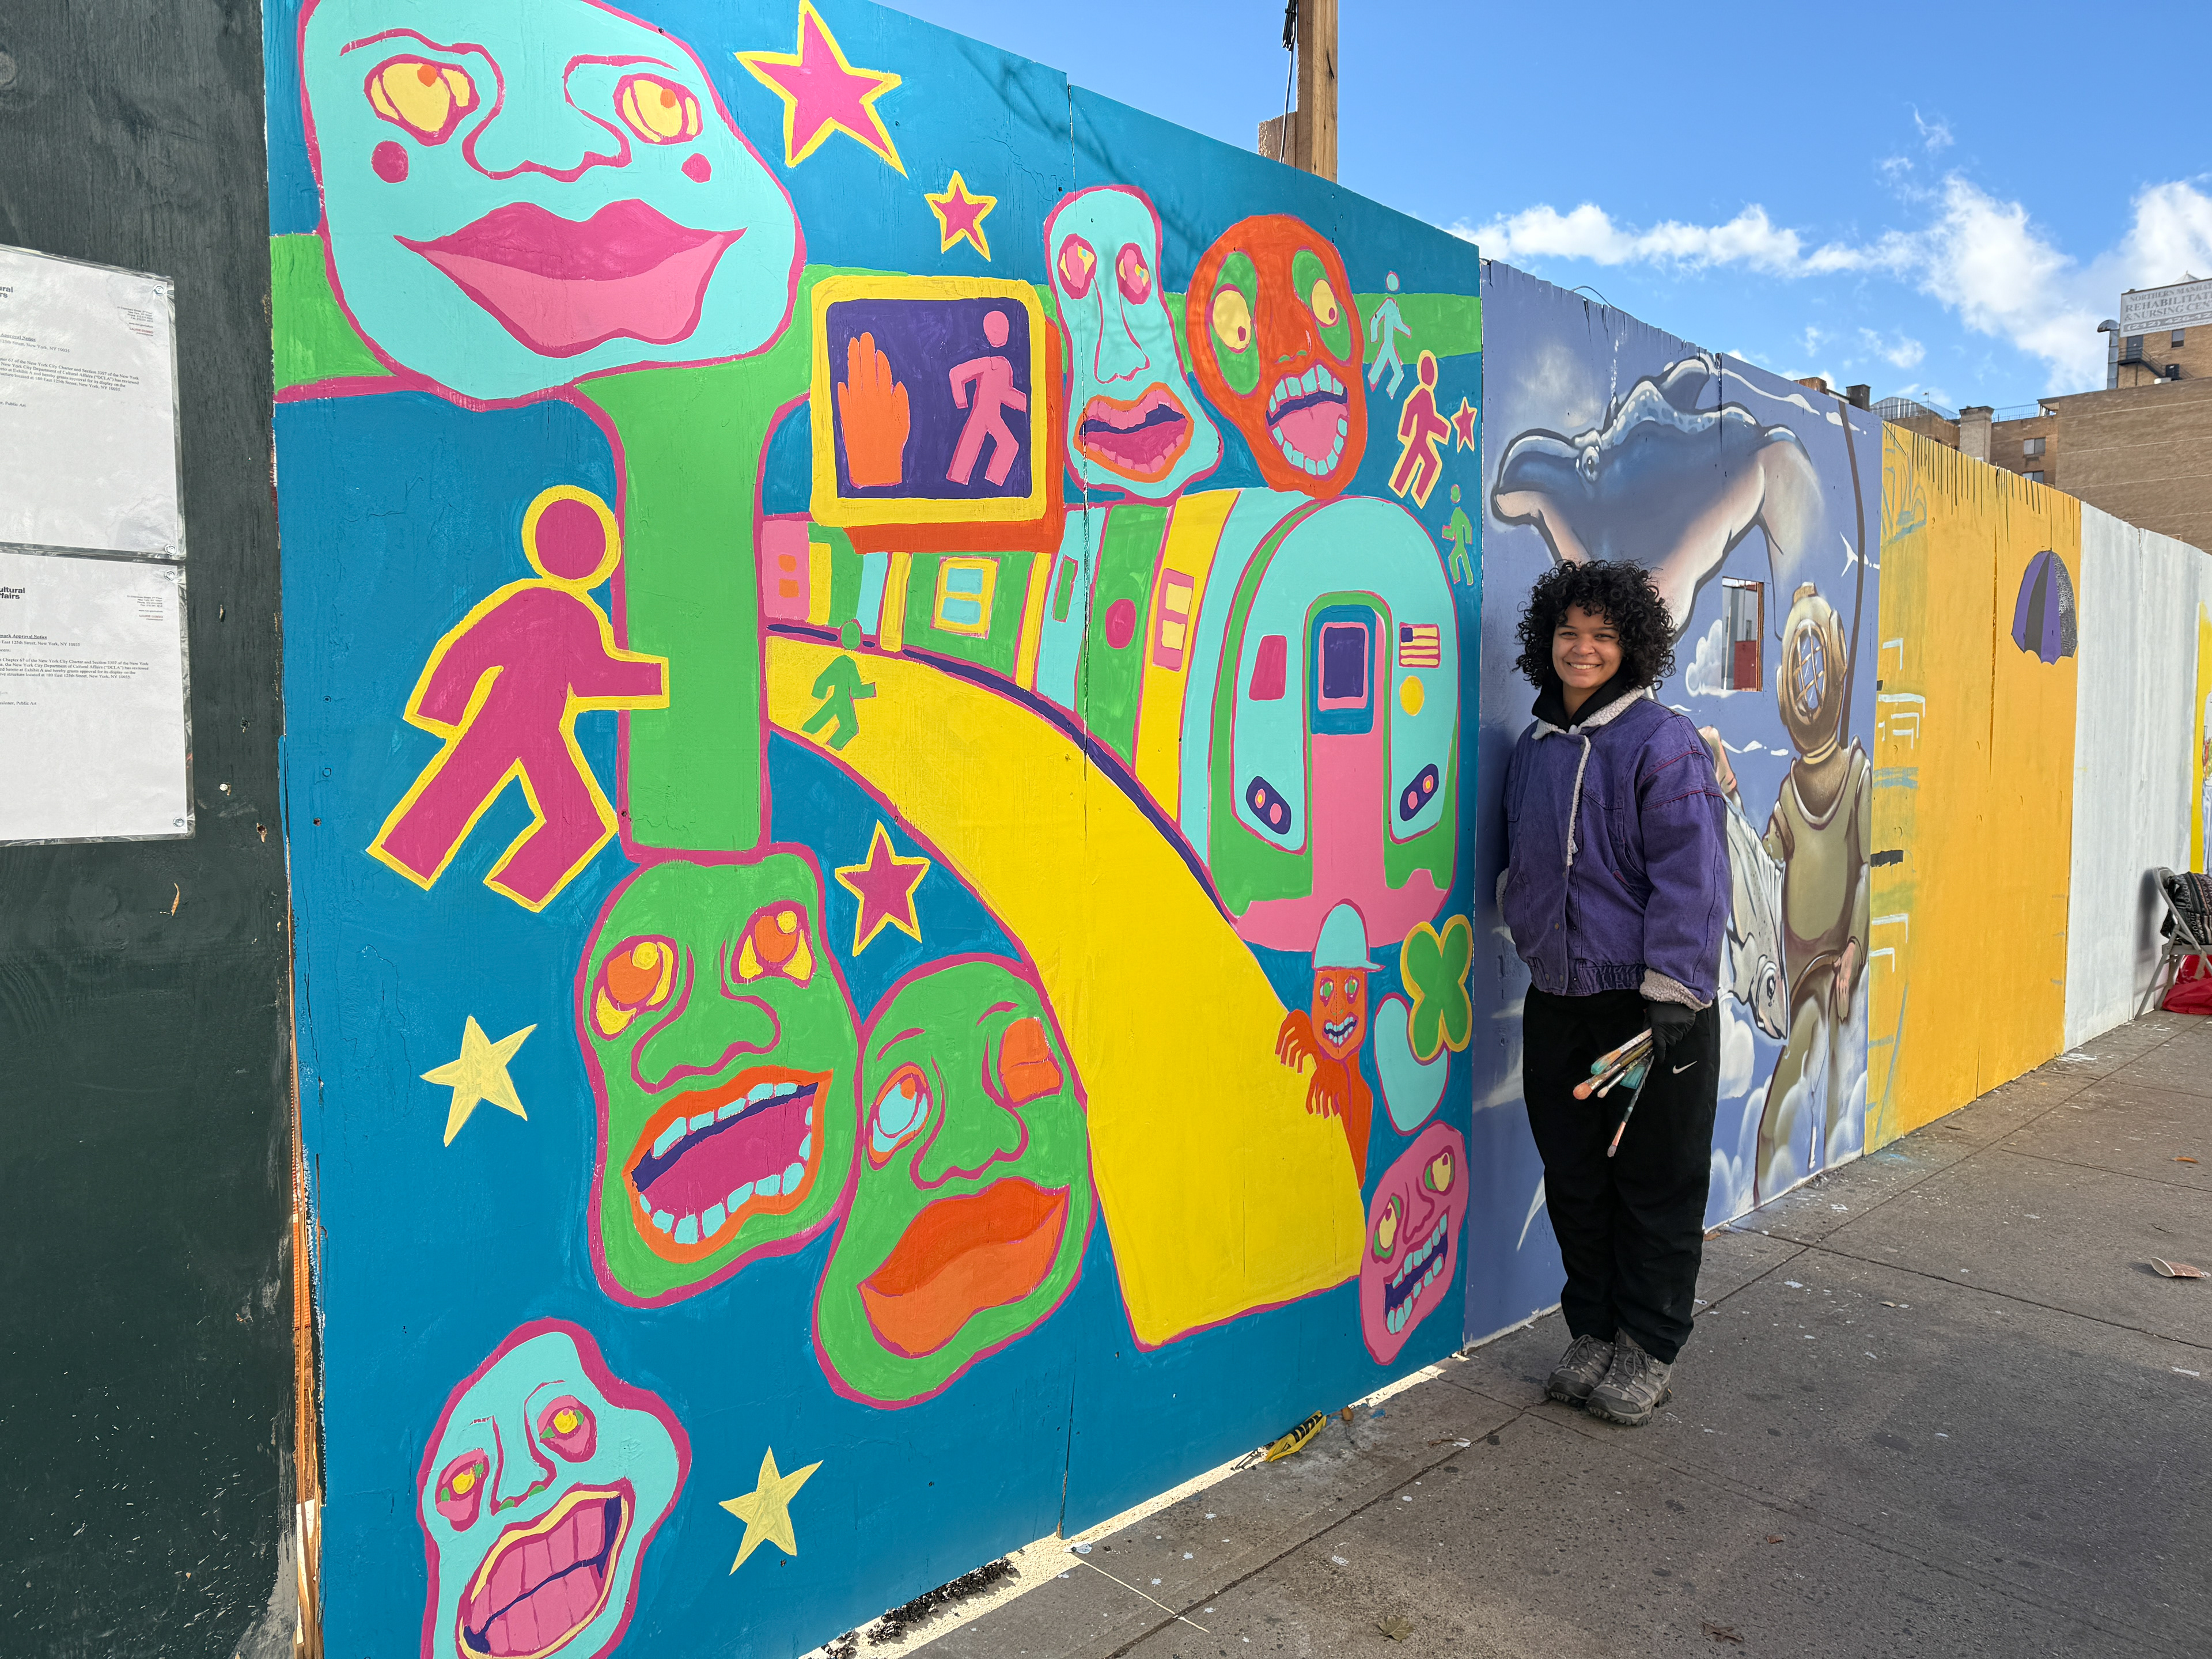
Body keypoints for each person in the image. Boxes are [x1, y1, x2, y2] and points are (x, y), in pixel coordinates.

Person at [1497, 560, 1728, 1426]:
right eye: (1569, 633)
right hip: (1562, 1001)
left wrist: (1675, 990)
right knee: (1577, 1181)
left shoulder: (1661, 742)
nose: (1583, 648)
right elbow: (1521, 860)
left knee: (1654, 1185)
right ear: (1546, 643)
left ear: (1629, 647)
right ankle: (1592, 1331)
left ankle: (1648, 1347)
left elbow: (1693, 875)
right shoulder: (1536, 747)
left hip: (1650, 1013)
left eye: (1601, 635)